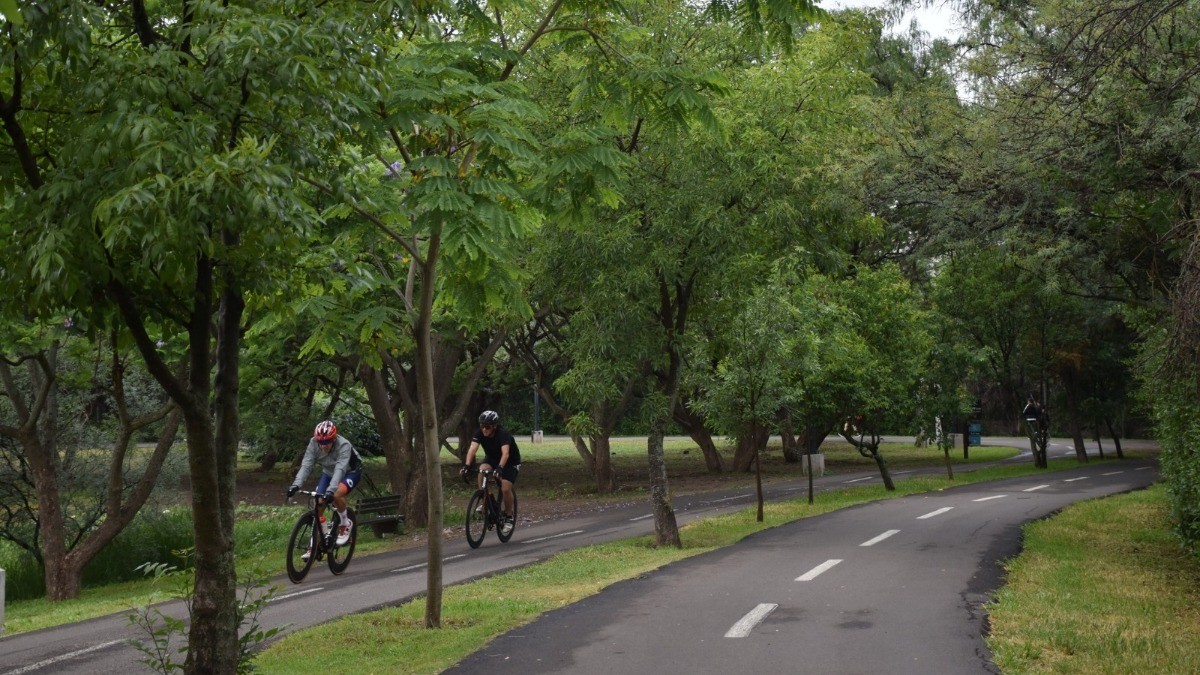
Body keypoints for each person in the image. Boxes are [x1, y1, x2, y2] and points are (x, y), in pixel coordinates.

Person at [287, 420, 363, 558]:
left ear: (333, 438)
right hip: (328, 473)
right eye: (320, 442)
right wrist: (295, 485)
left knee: (335, 494)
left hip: (350, 472)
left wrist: (330, 491)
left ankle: (346, 523)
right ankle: (316, 541)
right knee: (318, 503)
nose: (324, 445)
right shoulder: (313, 443)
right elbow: (306, 465)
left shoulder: (343, 445)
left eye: (327, 441)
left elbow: (340, 469)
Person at [460, 410, 521, 536]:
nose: (484, 429)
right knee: (482, 470)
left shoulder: (503, 434)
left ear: (494, 426)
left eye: (487, 427)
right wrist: (466, 465)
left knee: (505, 488)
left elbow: (506, 454)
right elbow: (472, 449)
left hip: (510, 462)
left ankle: (509, 515)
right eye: (482, 426)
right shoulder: (480, 433)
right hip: (492, 458)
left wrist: (499, 468)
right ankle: (485, 498)